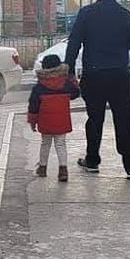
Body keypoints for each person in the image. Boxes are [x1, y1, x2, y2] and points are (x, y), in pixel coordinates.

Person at [64, 0, 130, 179]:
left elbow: (74, 42)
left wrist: (69, 69)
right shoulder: (127, 15)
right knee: (124, 119)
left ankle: (92, 160)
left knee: (95, 118)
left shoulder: (87, 13)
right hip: (119, 74)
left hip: (94, 74)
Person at [27, 54, 80, 182]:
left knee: (45, 144)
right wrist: (73, 80)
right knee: (61, 144)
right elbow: (75, 93)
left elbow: (33, 105)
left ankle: (42, 168)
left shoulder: (39, 86)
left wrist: (32, 121)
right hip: (62, 121)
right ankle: (63, 170)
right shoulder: (66, 83)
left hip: (45, 121)